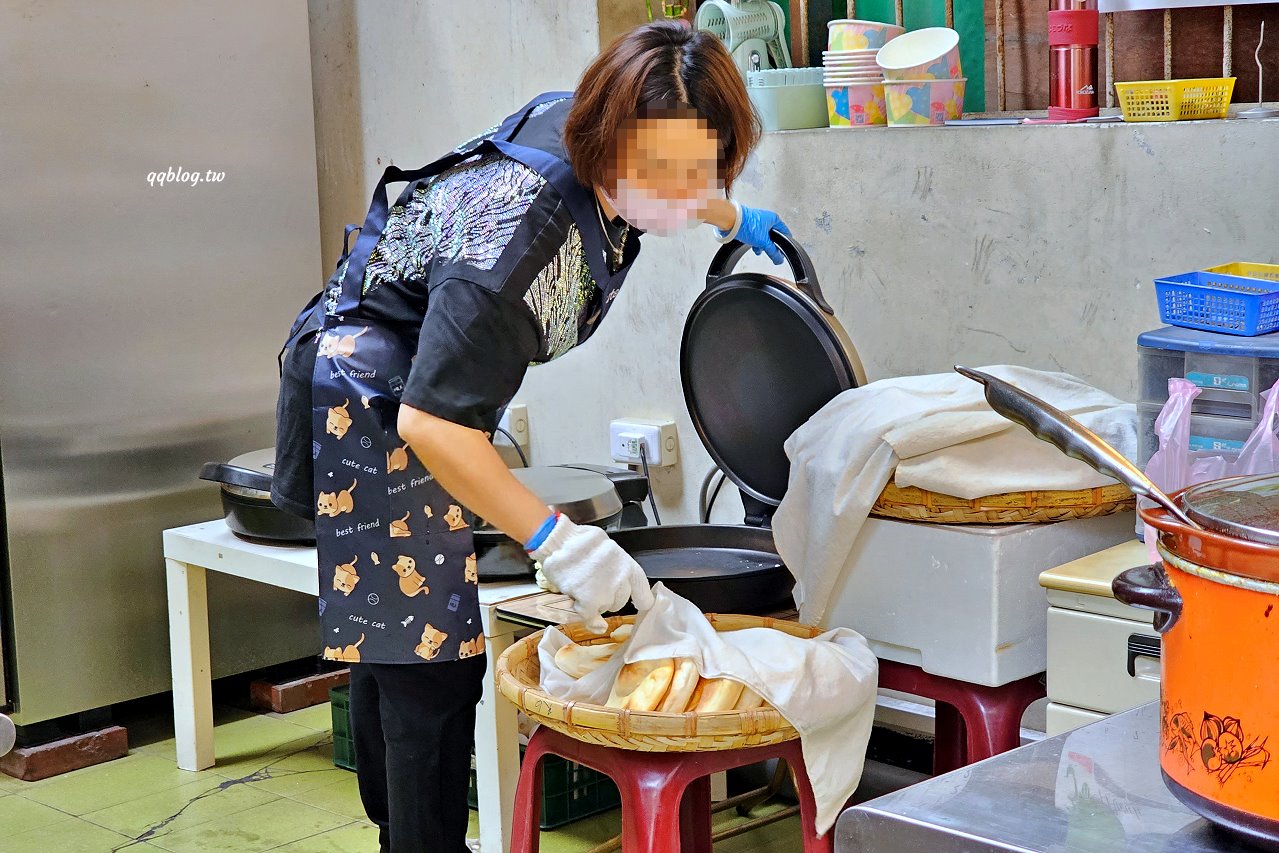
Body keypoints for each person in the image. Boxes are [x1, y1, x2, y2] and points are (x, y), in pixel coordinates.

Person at [272, 19, 790, 853]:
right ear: (605, 140)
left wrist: (731, 215)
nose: (682, 189)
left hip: (423, 377)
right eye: (663, 172)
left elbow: (670, 170)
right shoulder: (516, 244)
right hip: (372, 397)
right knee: (426, 663)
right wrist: (559, 539)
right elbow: (432, 422)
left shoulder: (593, 127)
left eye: (704, 169)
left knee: (398, 638)